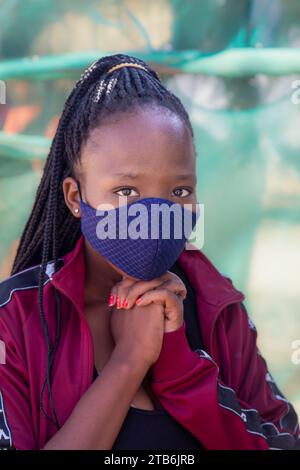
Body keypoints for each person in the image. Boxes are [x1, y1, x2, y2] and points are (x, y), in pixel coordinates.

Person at [0, 54, 299, 450]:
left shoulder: (216, 307)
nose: (156, 214)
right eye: (126, 192)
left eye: (179, 192)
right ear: (76, 197)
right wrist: (129, 362)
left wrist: (181, 366)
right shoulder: (15, 321)